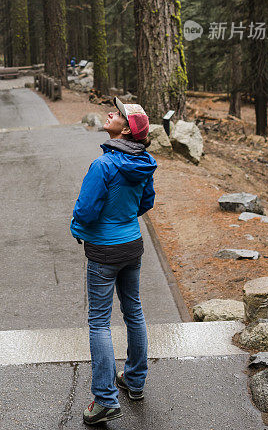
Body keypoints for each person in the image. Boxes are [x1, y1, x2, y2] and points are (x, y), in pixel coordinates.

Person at [71, 97, 156, 425]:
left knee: (99, 322)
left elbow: (87, 210)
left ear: (125, 129)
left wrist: (77, 228)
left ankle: (105, 400)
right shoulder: (145, 161)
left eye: (117, 114)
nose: (110, 113)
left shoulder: (103, 165)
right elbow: (146, 201)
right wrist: (122, 219)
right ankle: (134, 380)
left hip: (104, 251)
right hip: (132, 246)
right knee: (134, 311)